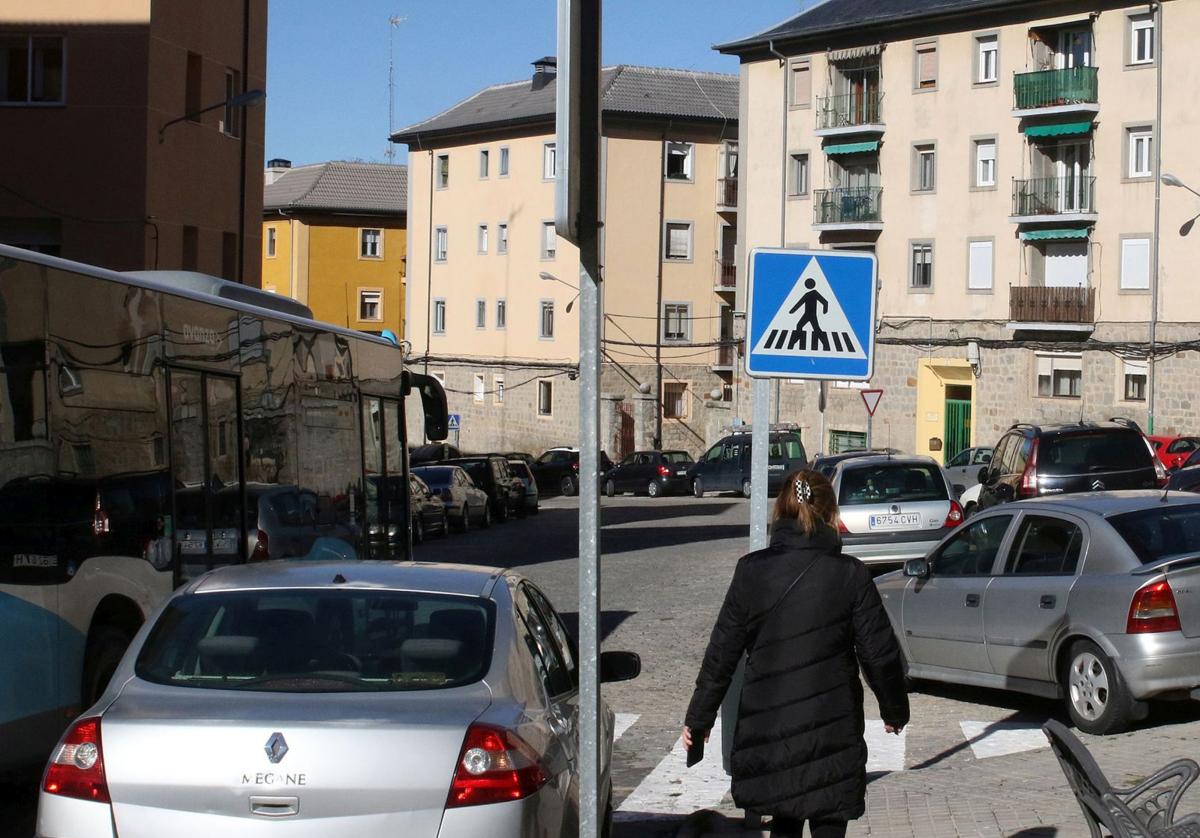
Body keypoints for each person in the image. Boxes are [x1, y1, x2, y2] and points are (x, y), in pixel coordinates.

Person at [683, 469, 909, 838]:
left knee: (783, 823)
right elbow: (880, 653)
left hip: (772, 730)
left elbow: (720, 655)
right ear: (831, 514)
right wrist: (894, 710)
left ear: (781, 512)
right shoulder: (850, 574)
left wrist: (699, 719)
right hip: (832, 729)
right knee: (829, 822)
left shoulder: (751, 571)